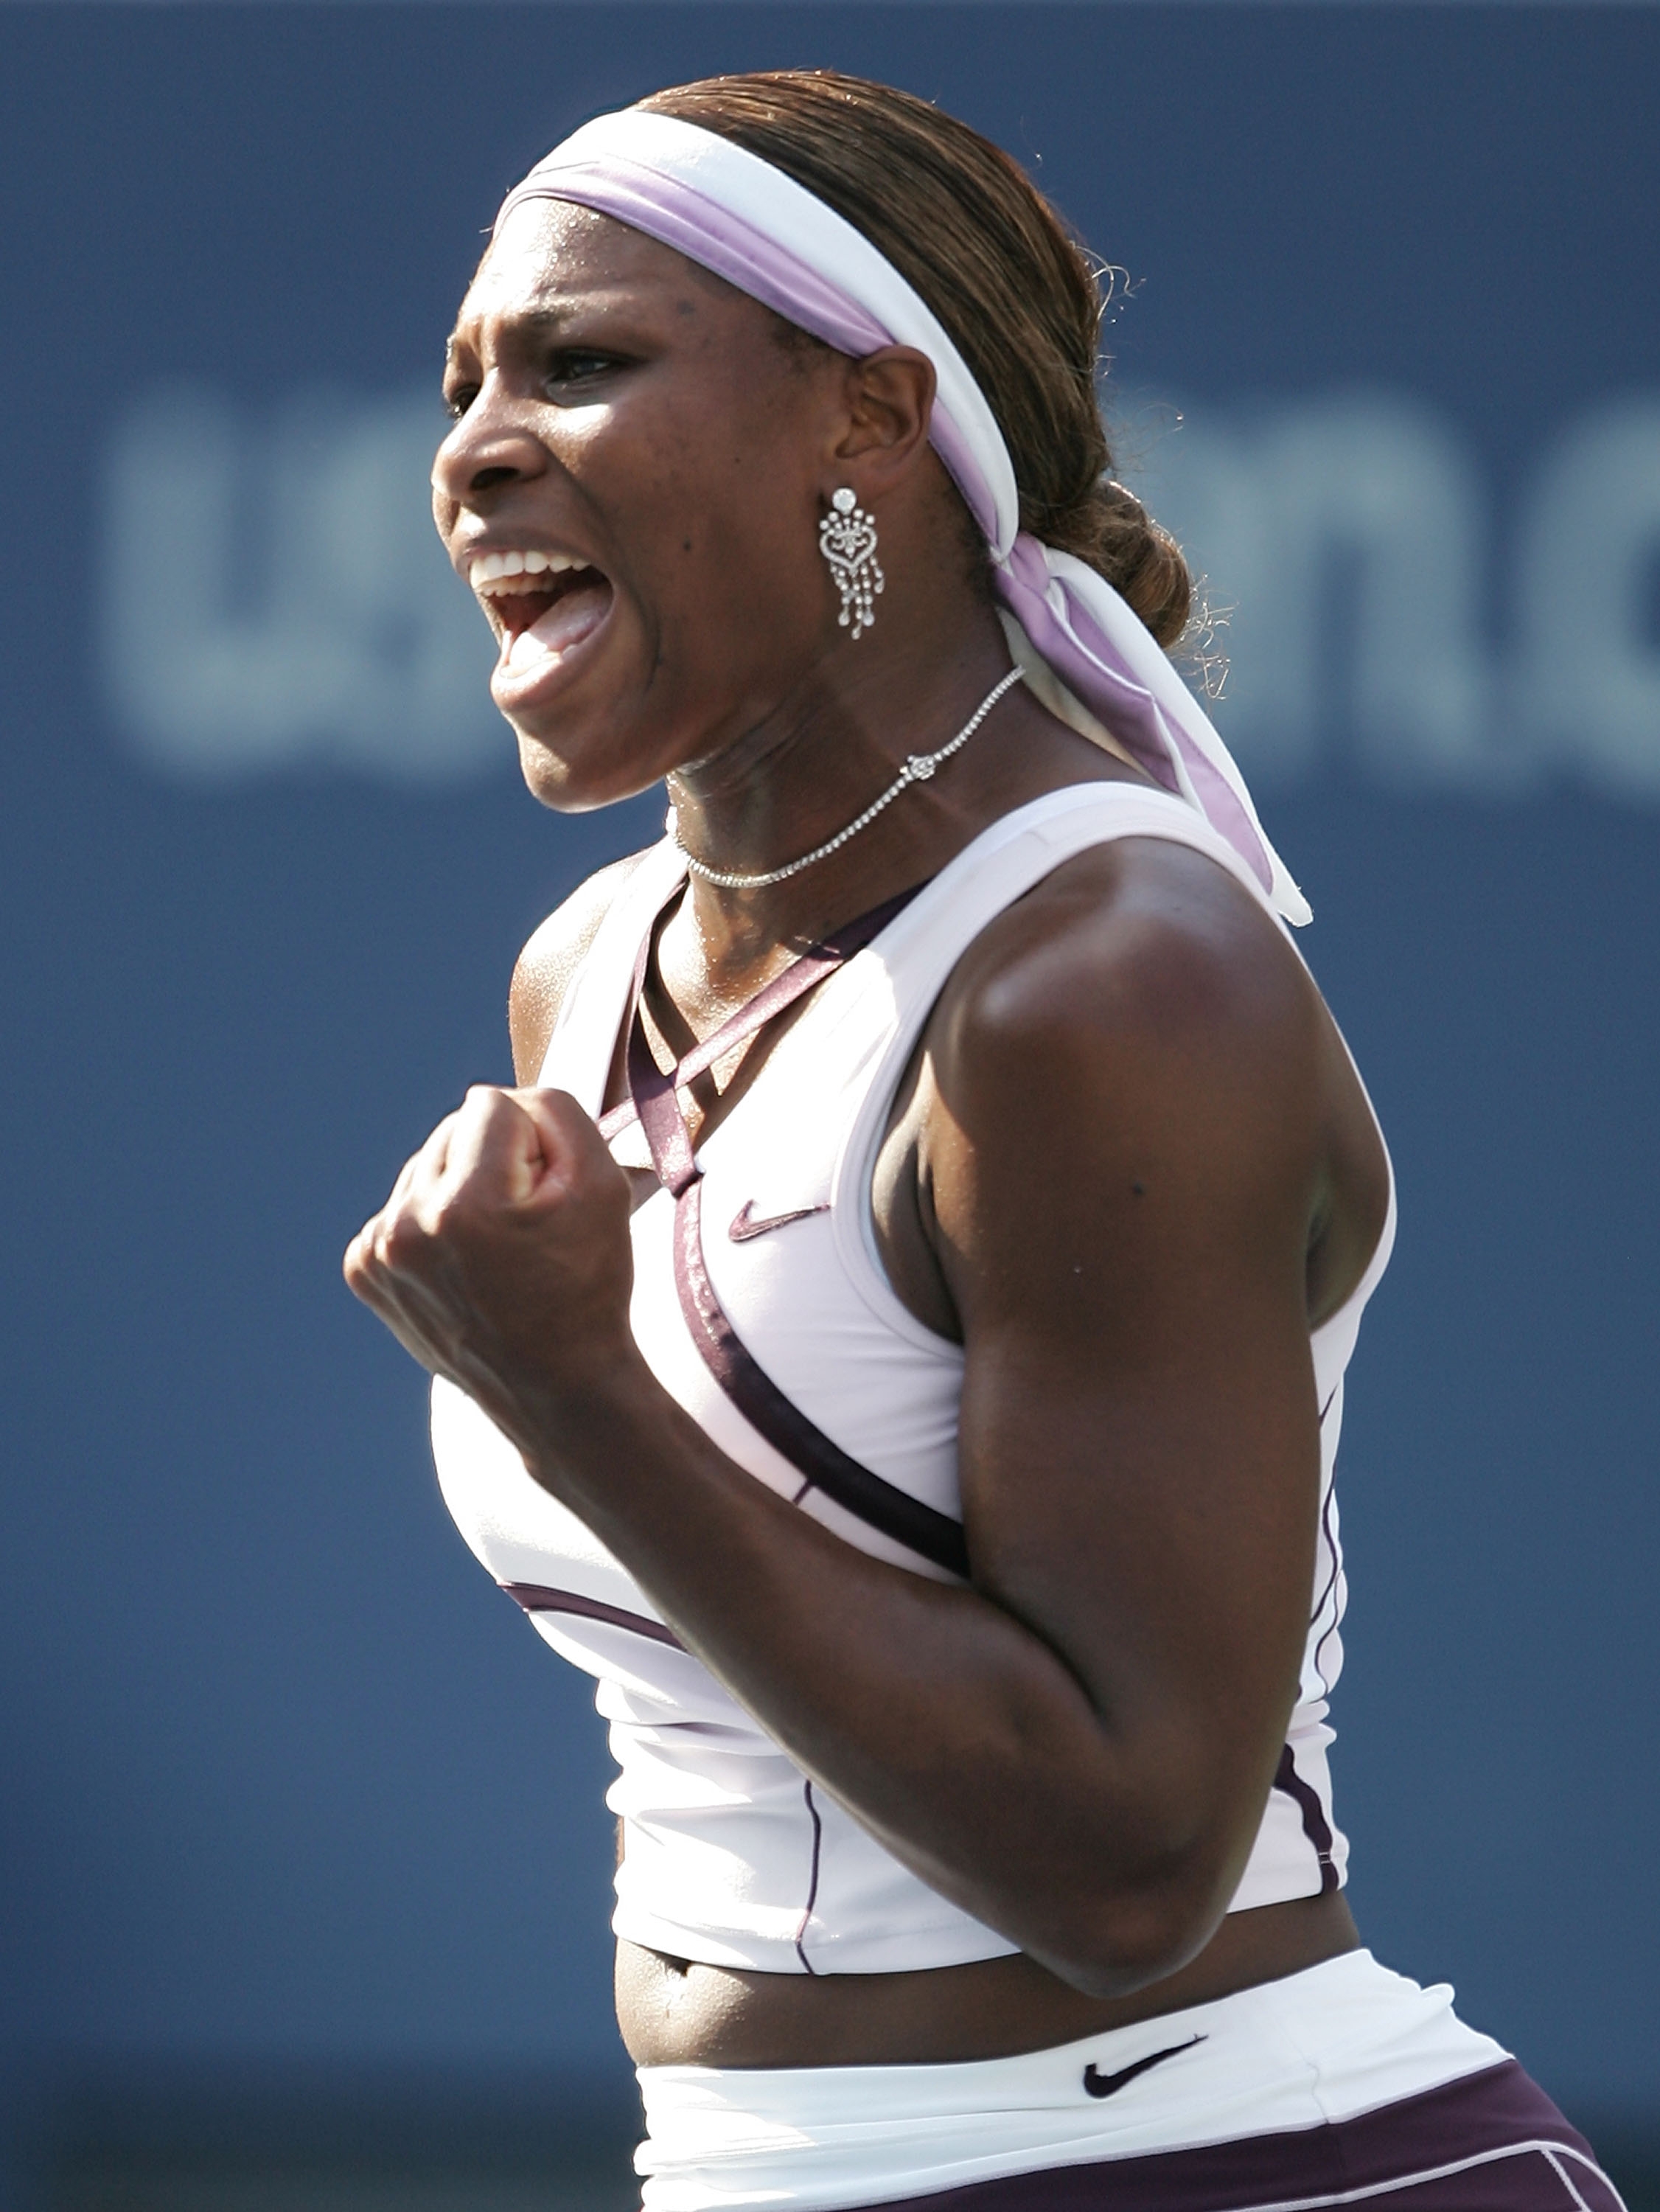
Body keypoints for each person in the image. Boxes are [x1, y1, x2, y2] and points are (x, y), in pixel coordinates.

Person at [344, 72, 1617, 2212]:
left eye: (580, 364)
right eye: (461, 383)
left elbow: (1124, 1868)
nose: (475, 448)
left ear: (867, 418)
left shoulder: (1102, 982)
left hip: (1226, 2164)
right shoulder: (586, 968)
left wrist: (574, 1392)